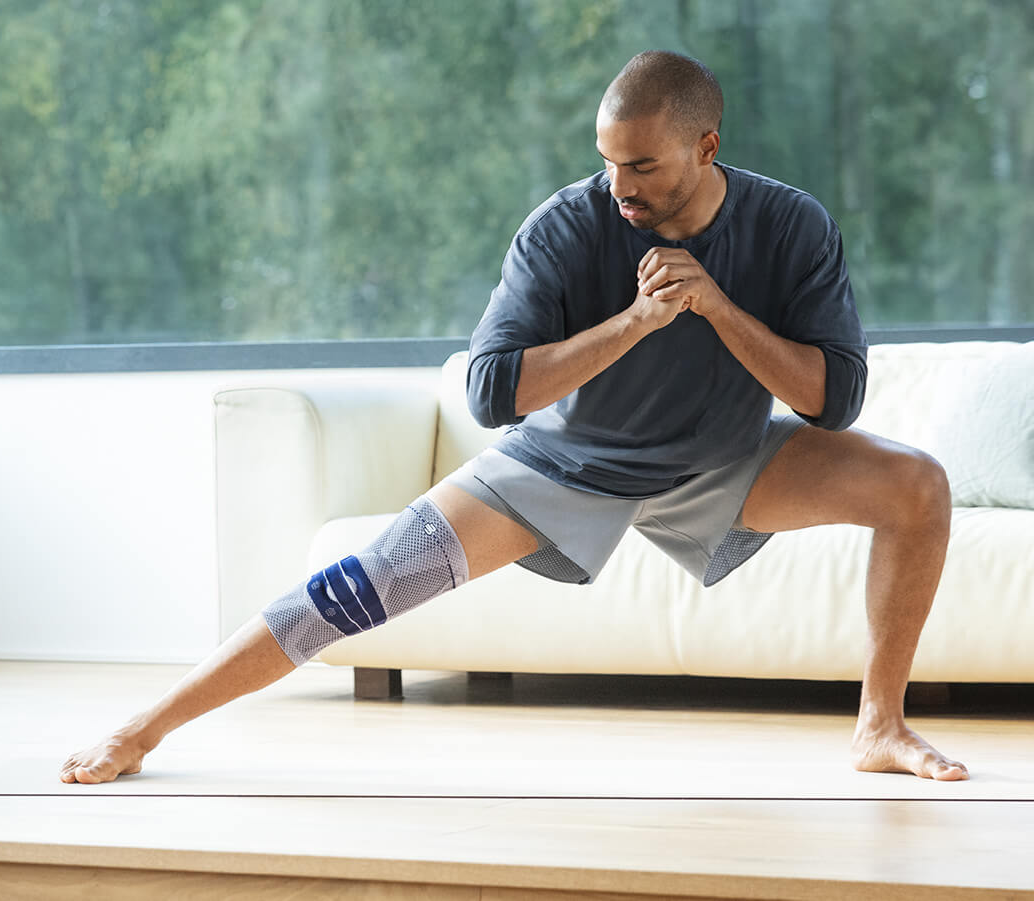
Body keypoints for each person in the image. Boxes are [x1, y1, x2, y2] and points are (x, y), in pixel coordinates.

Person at [60, 50, 968, 785]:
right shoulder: (565, 228)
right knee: (353, 588)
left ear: (706, 145)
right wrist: (636, 321)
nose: (620, 187)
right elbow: (490, 392)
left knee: (915, 484)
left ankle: (879, 725)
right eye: (609, 162)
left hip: (725, 461)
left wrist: (720, 308)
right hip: (561, 467)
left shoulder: (791, 225)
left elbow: (834, 398)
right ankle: (144, 729)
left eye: (642, 167)